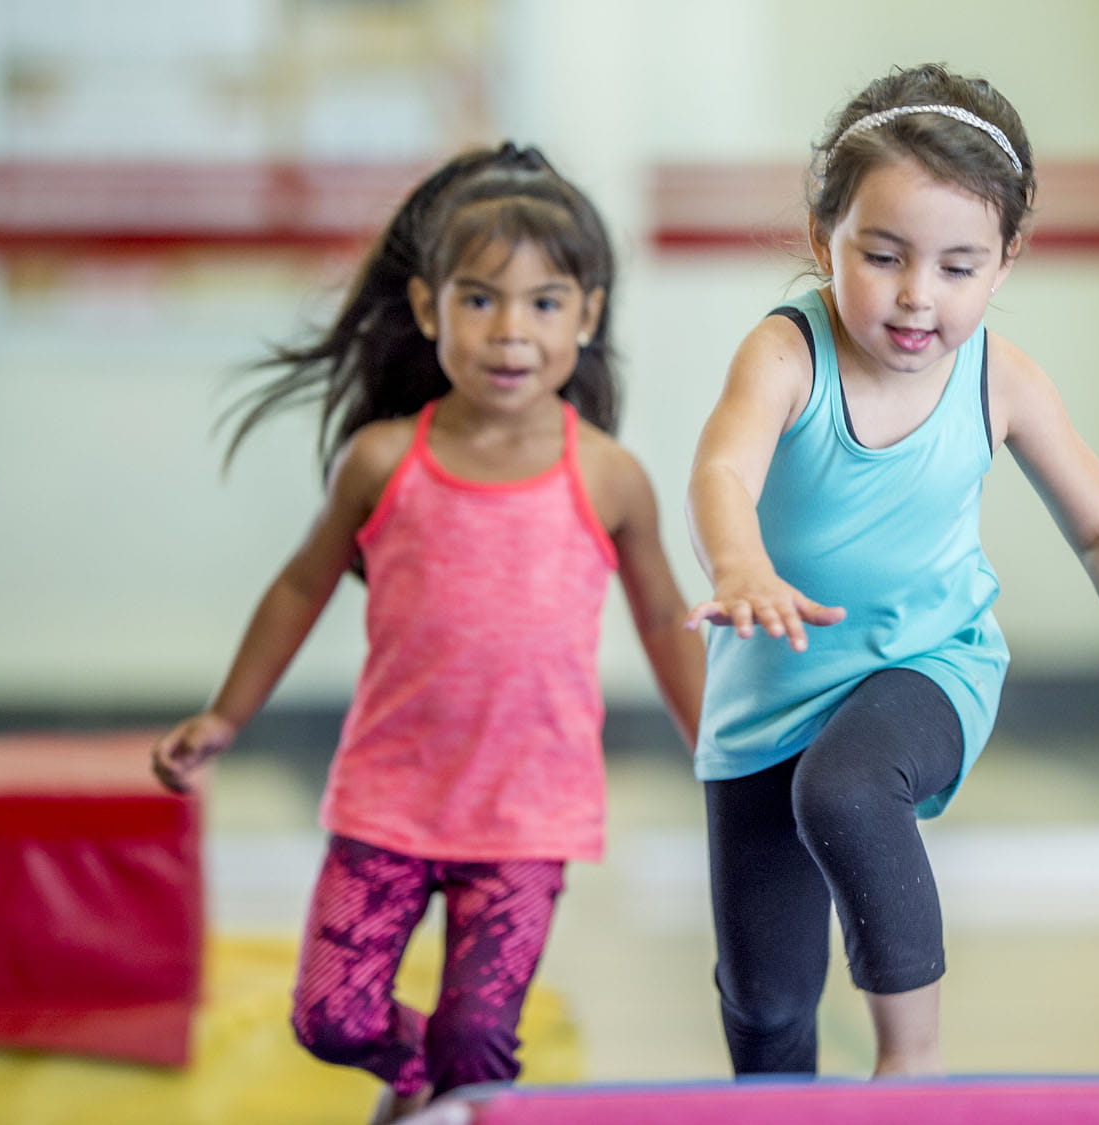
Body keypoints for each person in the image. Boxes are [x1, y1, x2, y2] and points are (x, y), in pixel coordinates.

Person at [684, 63, 1099, 1079]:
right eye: (883, 256)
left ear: (1002, 265)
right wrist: (741, 565)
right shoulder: (785, 354)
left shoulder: (1000, 376)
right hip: (766, 696)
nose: (914, 296)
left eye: (955, 266)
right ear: (824, 241)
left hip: (927, 666)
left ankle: (914, 1066)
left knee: (848, 791)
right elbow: (723, 465)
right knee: (764, 1009)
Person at [149, 143, 706, 1122]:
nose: (509, 331)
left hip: (526, 816)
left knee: (478, 1033)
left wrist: (720, 744)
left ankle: (460, 1085)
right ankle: (436, 1089)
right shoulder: (383, 460)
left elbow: (662, 616)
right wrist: (224, 717)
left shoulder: (608, 476)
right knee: (331, 1018)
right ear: (426, 309)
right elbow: (298, 587)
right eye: (480, 299)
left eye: (543, 304)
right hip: (388, 805)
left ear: (586, 315)